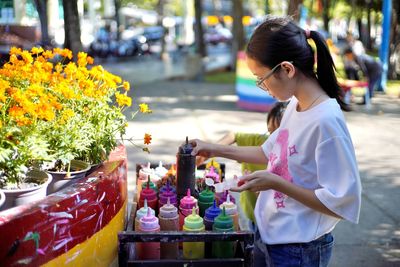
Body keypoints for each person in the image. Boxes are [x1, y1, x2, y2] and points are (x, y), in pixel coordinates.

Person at [189, 16, 361, 267]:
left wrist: (277, 183)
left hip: (299, 247)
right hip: (271, 233)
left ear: (287, 69)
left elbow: (341, 202)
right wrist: (213, 148)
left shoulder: (326, 121)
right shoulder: (295, 105)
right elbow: (268, 152)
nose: (262, 86)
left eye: (261, 78)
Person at [198, 102, 287, 228]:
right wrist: (212, 150)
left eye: (277, 134)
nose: (272, 139)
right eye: (269, 131)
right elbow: (233, 136)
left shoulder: (290, 156)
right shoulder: (259, 141)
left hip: (277, 219)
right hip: (252, 212)